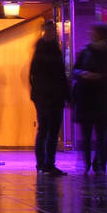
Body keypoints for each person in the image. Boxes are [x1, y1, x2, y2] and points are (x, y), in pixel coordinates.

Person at [71, 23, 107, 175]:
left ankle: (100, 164)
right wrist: (82, 73)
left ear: (101, 34)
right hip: (86, 99)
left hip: (102, 100)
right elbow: (75, 69)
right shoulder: (86, 51)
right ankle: (86, 163)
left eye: (93, 31)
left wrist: (100, 77)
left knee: (102, 136)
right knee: (86, 136)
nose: (90, 33)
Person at [29, 21, 70, 176]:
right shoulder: (47, 49)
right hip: (47, 96)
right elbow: (54, 74)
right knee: (47, 129)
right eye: (51, 30)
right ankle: (45, 163)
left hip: (50, 96)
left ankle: (45, 164)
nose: (53, 33)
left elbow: (36, 75)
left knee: (48, 130)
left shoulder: (48, 48)